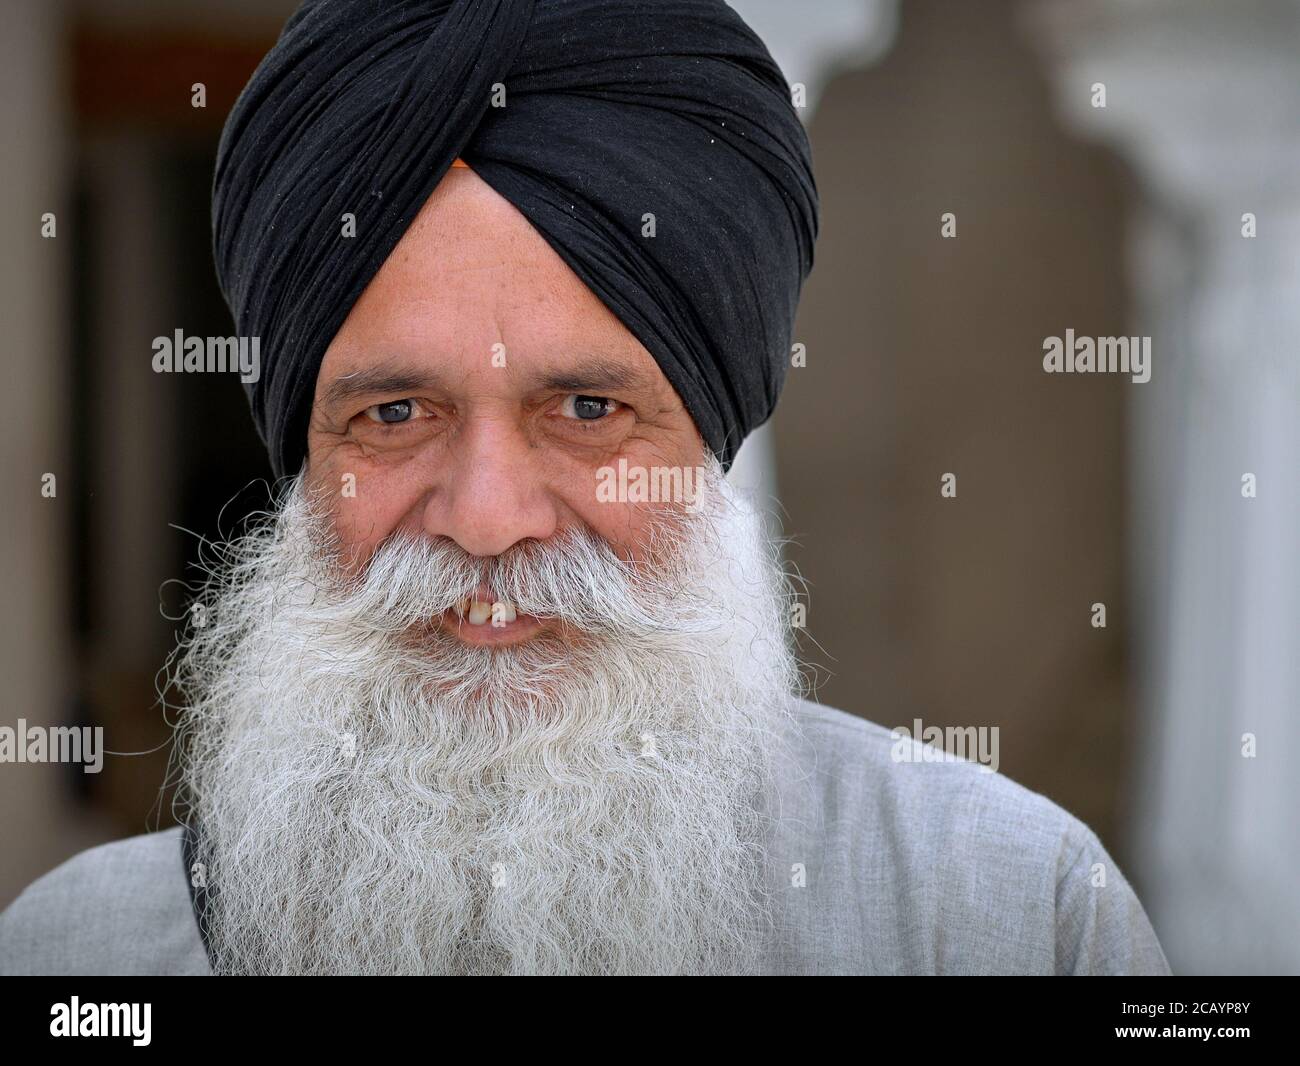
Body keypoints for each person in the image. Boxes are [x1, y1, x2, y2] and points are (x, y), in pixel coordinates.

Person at [0, 0, 1168, 976]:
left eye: (590, 411)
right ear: (305, 457)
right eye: (395, 415)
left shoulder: (996, 916)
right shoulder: (81, 958)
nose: (490, 516)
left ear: (708, 439)